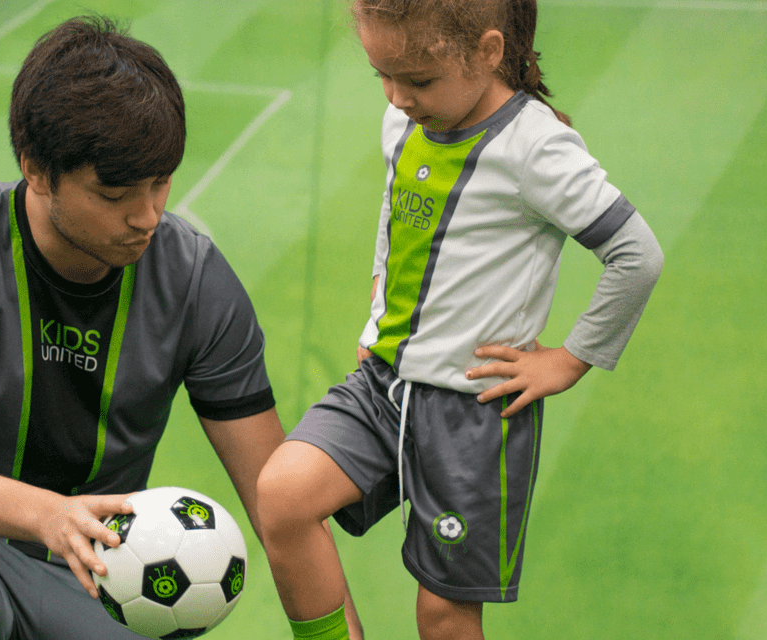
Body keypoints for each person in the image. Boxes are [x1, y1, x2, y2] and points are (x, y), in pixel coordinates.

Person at [0, 16, 354, 640]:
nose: (148, 215)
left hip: (87, 565)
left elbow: (278, 500)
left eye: (161, 183)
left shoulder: (196, 282)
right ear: (35, 167)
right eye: (115, 195)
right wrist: (47, 514)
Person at [256, 1, 663, 638]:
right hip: (385, 386)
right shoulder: (403, 120)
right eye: (381, 76)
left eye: (417, 80)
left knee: (442, 614)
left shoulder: (536, 148)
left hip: (473, 414)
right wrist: (379, 300)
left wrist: (569, 359)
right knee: (282, 498)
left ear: (488, 51)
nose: (397, 96)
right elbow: (398, 210)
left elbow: (637, 254)